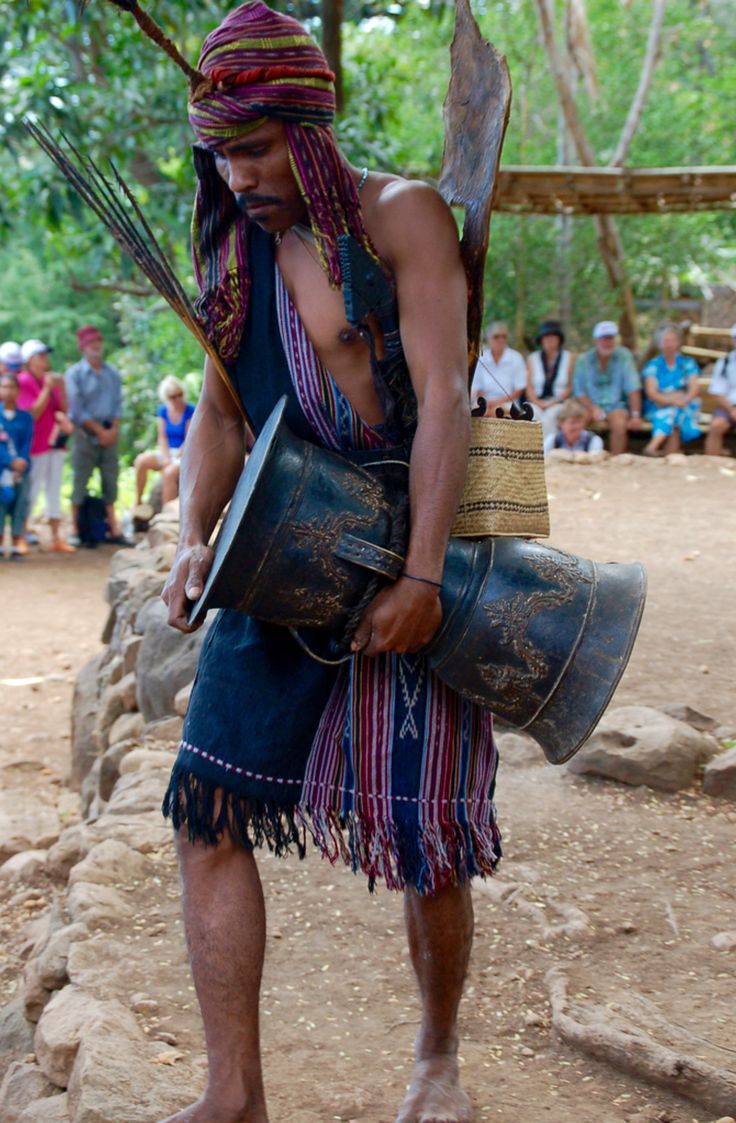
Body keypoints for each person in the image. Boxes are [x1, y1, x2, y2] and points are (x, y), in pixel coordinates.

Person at [160, 5, 498, 1122]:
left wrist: (423, 578)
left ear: (308, 130)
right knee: (205, 811)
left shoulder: (401, 217)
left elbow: (445, 397)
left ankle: (436, 1057)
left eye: (254, 148)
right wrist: (193, 537)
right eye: (220, 149)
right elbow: (219, 411)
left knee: (425, 838)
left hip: (407, 541)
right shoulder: (232, 250)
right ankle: (233, 1094)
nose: (237, 172)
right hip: (276, 549)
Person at [65, 325, 126, 544]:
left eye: (98, 342)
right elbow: (76, 408)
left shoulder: (112, 374)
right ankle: (74, 529)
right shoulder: (74, 374)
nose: (96, 347)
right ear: (84, 347)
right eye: (91, 344)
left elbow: (119, 403)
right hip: (85, 433)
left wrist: (112, 430)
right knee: (80, 479)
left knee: (111, 479)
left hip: (110, 431)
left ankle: (114, 528)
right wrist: (99, 431)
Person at [16, 339, 76, 554]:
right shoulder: (23, 381)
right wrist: (47, 388)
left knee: (54, 489)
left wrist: (62, 389)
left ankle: (56, 537)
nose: (45, 360)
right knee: (32, 490)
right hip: (36, 444)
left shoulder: (48, 380)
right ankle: (20, 535)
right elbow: (32, 413)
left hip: (54, 444)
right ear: (30, 360)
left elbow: (63, 408)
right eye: (41, 356)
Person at [573, 320, 643, 454]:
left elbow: (633, 387)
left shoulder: (624, 356)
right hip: (590, 405)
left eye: (610, 338)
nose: (607, 342)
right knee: (577, 421)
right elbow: (579, 391)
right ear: (596, 340)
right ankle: (578, 457)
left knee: (619, 425)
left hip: (616, 406)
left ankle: (616, 462)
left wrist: (635, 415)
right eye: (603, 339)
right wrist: (592, 408)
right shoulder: (584, 360)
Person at [134, 376, 195, 506]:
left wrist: (175, 458)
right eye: (173, 397)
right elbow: (162, 436)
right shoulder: (163, 410)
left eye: (180, 395)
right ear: (167, 398)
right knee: (141, 461)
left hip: (183, 453)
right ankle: (138, 501)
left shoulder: (190, 410)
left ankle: (167, 512)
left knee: (169, 473)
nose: (178, 399)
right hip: (168, 451)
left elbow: (190, 439)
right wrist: (166, 458)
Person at [641, 325, 701, 456]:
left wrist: (682, 400)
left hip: (684, 405)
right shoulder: (653, 365)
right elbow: (652, 393)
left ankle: (653, 447)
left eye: (672, 340)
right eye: (666, 341)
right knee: (672, 415)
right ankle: (665, 455)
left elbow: (694, 388)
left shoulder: (687, 363)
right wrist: (672, 400)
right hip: (659, 407)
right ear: (660, 344)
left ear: (678, 342)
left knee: (674, 415)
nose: (669, 344)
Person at [0, 373, 33, 557]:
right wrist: (9, 462)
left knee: (20, 504)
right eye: (4, 386)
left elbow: (27, 442)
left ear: (18, 391)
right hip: (1, 469)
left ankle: (16, 541)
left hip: (21, 469)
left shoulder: (25, 417)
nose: (8, 391)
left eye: (12, 387)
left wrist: (21, 462)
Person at [525, 319, 574, 437]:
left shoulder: (569, 357)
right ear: (541, 340)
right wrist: (538, 402)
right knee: (532, 413)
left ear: (559, 339)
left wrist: (553, 402)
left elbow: (569, 387)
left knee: (551, 416)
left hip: (559, 402)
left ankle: (548, 451)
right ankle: (533, 451)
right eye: (546, 336)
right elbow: (529, 388)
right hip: (537, 402)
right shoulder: (533, 358)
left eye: (553, 336)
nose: (549, 340)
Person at [470, 321, 527, 415]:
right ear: (488, 338)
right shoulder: (481, 358)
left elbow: (519, 389)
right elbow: (477, 386)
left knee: (496, 412)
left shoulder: (516, 357)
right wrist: (486, 402)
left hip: (508, 403)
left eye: (504, 336)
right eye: (496, 336)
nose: (501, 340)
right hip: (484, 402)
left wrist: (497, 402)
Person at [704, 323, 736, 457]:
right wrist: (732, 410)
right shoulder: (726, 361)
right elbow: (718, 391)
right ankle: (711, 465)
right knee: (717, 426)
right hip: (729, 406)